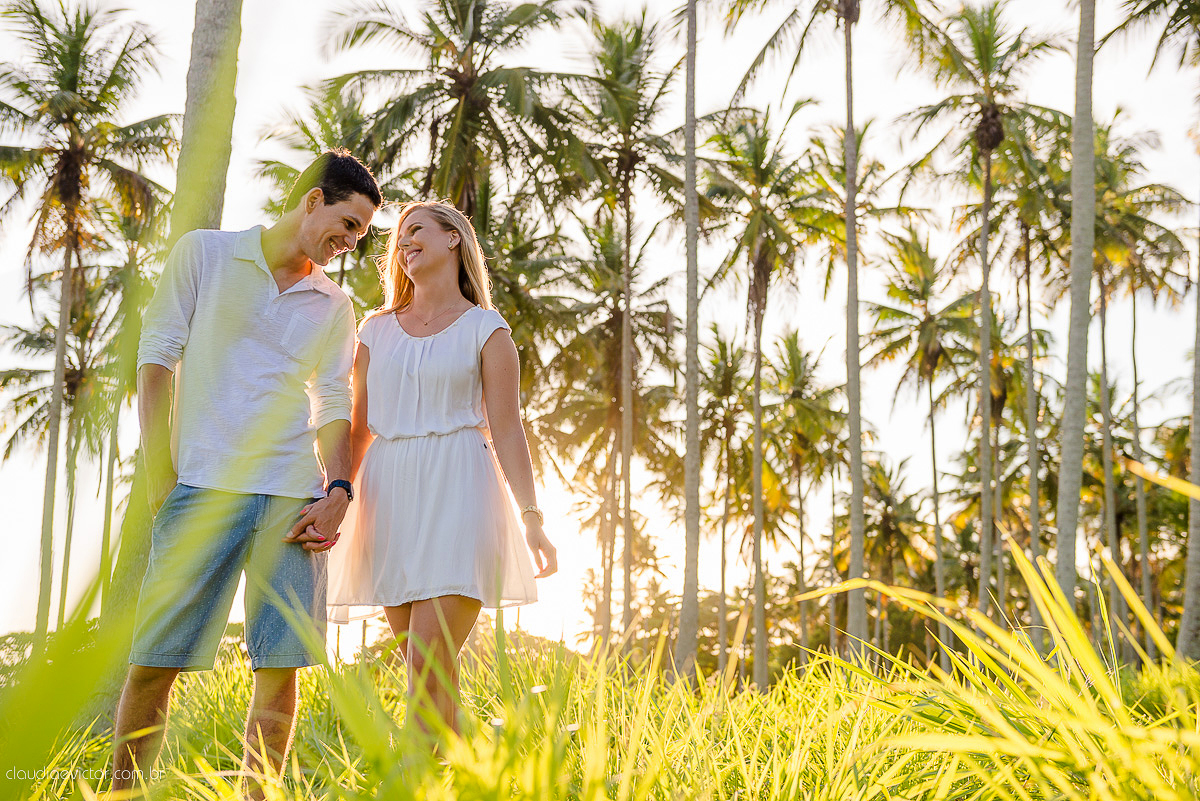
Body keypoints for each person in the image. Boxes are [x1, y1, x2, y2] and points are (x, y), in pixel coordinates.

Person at [110, 149, 382, 795]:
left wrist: (339, 489)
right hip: (198, 490)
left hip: (291, 496)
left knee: (279, 668)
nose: (349, 243)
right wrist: (161, 482)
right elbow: (155, 362)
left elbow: (334, 403)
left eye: (360, 236)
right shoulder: (204, 254)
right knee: (154, 663)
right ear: (312, 200)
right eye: (347, 224)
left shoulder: (333, 304)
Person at [326, 199, 557, 739]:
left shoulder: (486, 329)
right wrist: (335, 501)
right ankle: (475, 775)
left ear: (454, 238)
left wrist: (531, 516)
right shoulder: (374, 332)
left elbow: (508, 429)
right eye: (399, 237)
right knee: (429, 675)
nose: (404, 242)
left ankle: (412, 784)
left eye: (417, 230)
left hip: (460, 487)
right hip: (388, 497)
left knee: (427, 667)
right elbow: (358, 431)